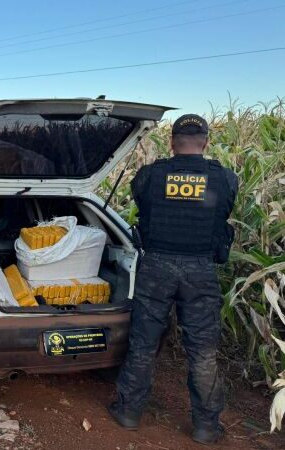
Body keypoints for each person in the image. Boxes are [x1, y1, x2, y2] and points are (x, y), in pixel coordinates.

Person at [108, 114, 238, 445]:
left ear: (171, 141)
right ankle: (206, 427)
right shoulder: (224, 178)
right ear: (206, 141)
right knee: (203, 351)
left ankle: (128, 412)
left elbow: (142, 203)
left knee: (144, 342)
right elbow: (225, 210)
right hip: (200, 270)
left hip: (156, 268)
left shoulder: (151, 175)